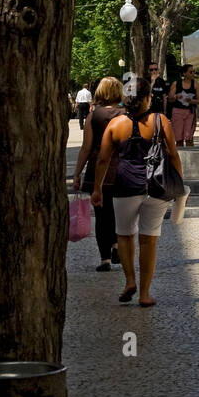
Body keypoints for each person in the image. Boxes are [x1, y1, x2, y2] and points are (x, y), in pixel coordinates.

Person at [93, 75, 183, 307]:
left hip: (124, 186)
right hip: (156, 187)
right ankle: (144, 294)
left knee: (123, 235)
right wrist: (180, 186)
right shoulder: (160, 121)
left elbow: (103, 160)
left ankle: (129, 280)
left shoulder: (115, 124)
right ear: (147, 97)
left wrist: (97, 189)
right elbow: (173, 154)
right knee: (148, 240)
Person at [72, 76, 124, 271]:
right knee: (119, 212)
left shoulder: (93, 116)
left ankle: (105, 259)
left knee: (102, 215)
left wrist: (77, 173)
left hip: (98, 170)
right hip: (122, 170)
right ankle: (117, 245)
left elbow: (86, 148)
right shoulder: (127, 115)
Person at [168, 63, 199, 148]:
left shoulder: (196, 85)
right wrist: (176, 96)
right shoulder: (176, 84)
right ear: (184, 73)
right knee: (178, 139)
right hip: (177, 111)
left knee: (189, 138)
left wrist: (191, 100)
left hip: (190, 112)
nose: (193, 73)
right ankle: (180, 158)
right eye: (191, 72)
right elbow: (170, 98)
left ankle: (190, 156)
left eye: (194, 72)